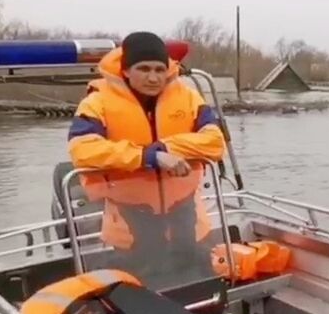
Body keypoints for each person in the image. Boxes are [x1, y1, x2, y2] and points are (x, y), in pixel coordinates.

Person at [67, 31, 225, 284]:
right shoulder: (97, 102)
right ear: (127, 70)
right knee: (140, 295)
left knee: (201, 287)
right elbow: (82, 150)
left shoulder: (189, 98)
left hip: (188, 219)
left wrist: (167, 148)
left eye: (159, 69)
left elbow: (216, 142)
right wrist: (147, 156)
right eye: (143, 69)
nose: (153, 77)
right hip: (131, 224)